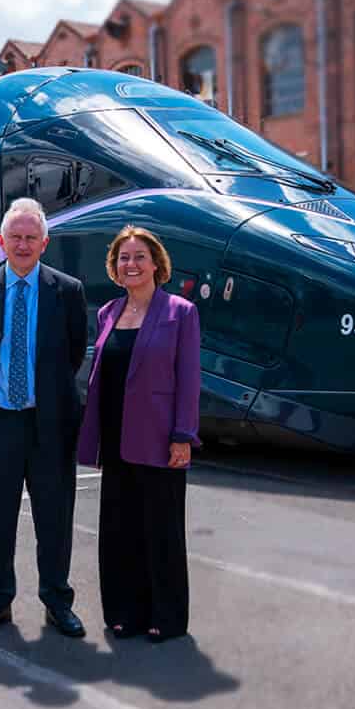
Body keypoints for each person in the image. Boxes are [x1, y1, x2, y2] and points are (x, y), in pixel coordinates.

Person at [0, 197, 89, 639]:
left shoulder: (68, 291)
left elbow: (74, 351)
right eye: (16, 237)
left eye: (31, 237)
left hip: (49, 424)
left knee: (55, 518)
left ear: (44, 243)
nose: (23, 244)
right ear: (0, 241)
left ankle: (56, 601)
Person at [76, 225, 201, 643]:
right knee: (118, 530)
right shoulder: (108, 313)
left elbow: (188, 379)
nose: (131, 264)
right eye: (123, 258)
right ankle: (123, 612)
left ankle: (165, 616)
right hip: (115, 438)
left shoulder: (180, 312)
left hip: (160, 437)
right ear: (114, 267)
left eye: (139, 257)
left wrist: (183, 434)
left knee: (160, 530)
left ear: (156, 264)